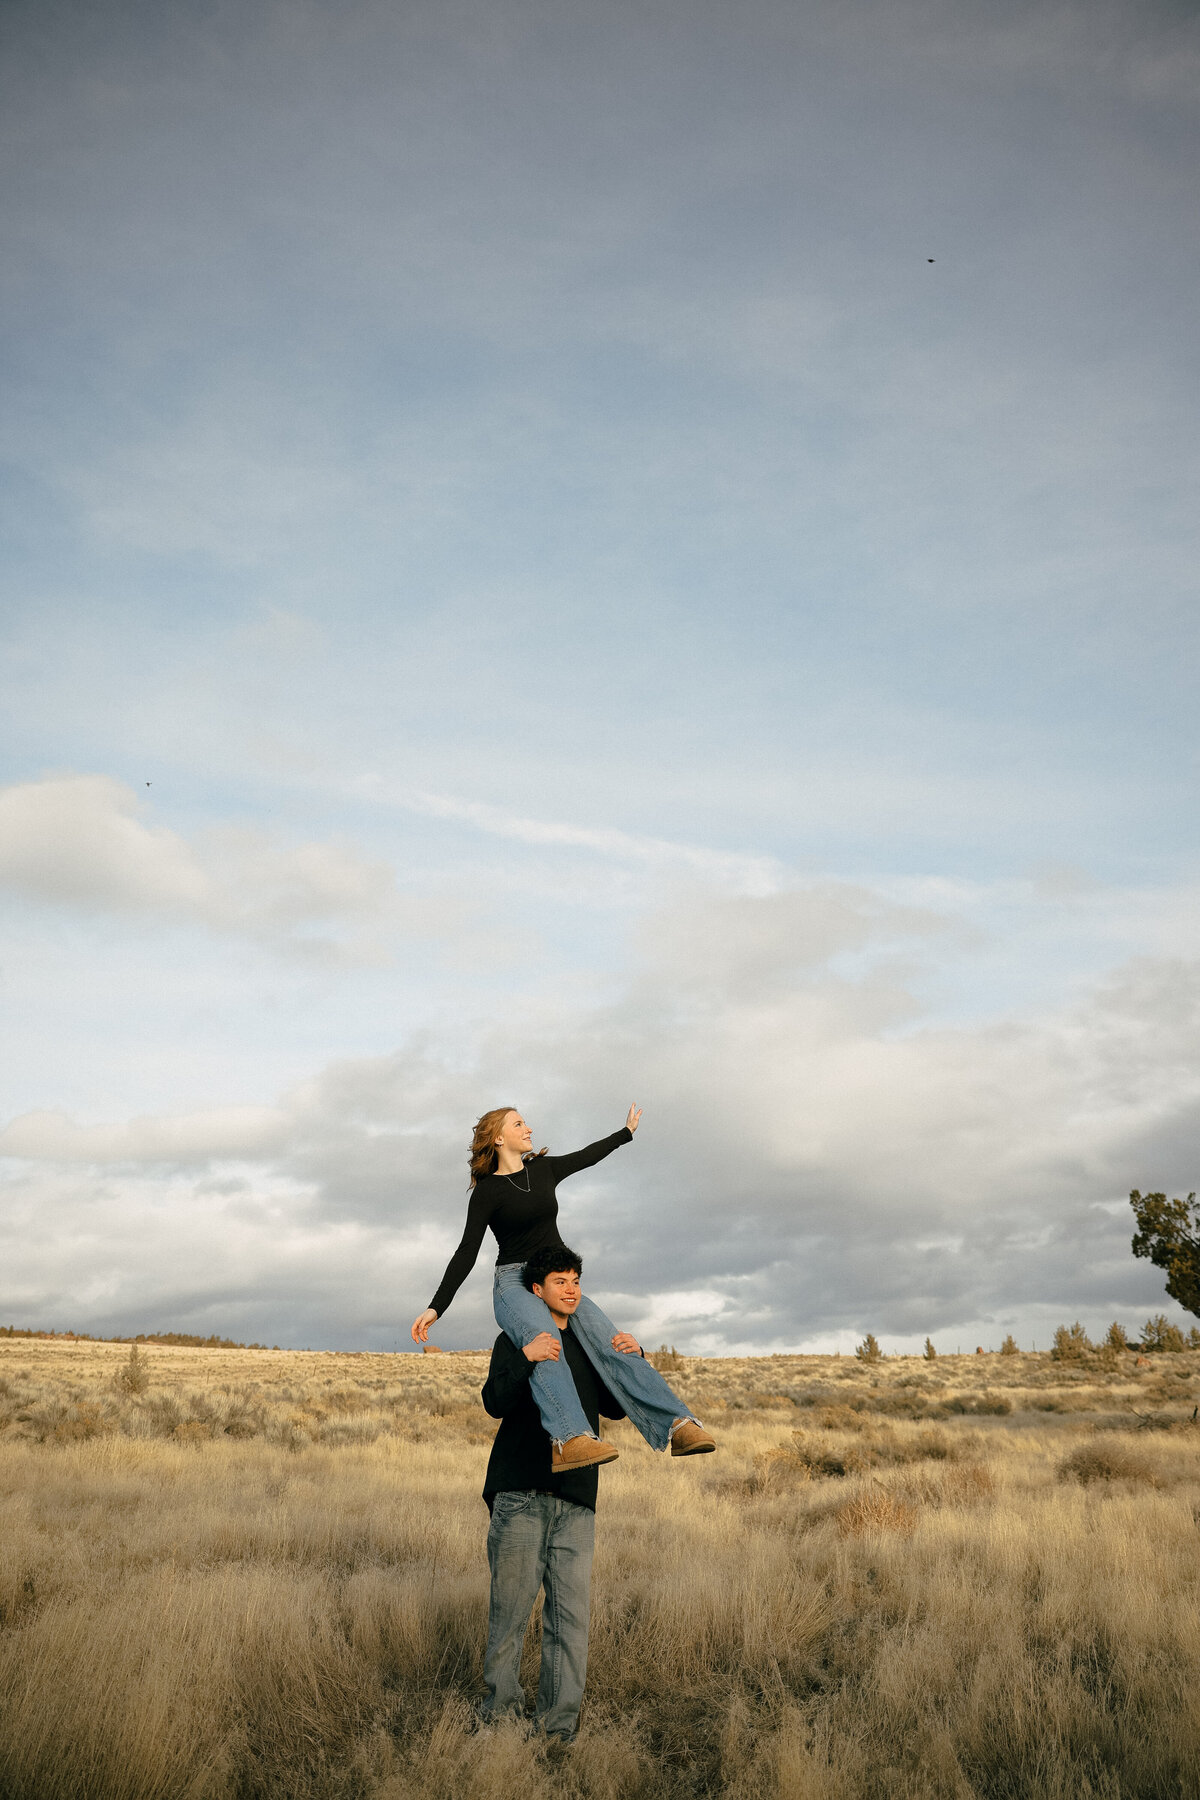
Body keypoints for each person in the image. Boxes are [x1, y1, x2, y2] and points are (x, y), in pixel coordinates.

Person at [411, 1105, 715, 1469]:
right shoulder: (488, 1192)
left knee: (612, 1340)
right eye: (519, 1123)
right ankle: (570, 1438)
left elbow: (587, 1156)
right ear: (498, 1137)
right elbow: (466, 1252)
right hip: (514, 1282)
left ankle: (677, 1426)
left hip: (557, 1274)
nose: (529, 1128)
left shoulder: (543, 1169)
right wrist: (436, 1307)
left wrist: (625, 1132)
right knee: (545, 1342)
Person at [477, 1246, 633, 1741]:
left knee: (570, 1621)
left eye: (575, 1281)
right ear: (536, 1291)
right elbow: (494, 1402)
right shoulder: (516, 1337)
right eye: (559, 1281)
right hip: (521, 1490)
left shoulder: (588, 1346)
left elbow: (615, 1408)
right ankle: (499, 1723)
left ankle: (557, 1731)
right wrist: (526, 1358)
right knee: (510, 1616)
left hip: (577, 1499)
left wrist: (630, 1357)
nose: (571, 1289)